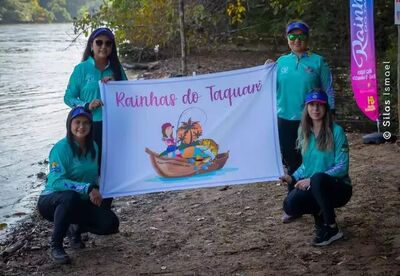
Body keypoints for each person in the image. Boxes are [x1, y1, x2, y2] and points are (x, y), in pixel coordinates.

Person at [37, 106, 119, 264]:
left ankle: (75, 228)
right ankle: (56, 246)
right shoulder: (60, 148)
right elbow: (56, 181)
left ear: (91, 125)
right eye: (77, 122)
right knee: (69, 197)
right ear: (70, 124)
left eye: (86, 123)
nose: (81, 127)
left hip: (80, 201)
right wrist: (87, 188)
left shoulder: (93, 147)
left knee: (110, 224)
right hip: (52, 201)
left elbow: (94, 176)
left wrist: (106, 186)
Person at [275, 20, 335, 223]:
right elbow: (265, 91)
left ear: (307, 38)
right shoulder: (280, 63)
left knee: (312, 161)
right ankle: (294, 205)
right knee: (292, 162)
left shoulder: (318, 62)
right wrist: (264, 72)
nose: (296, 40)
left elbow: (328, 90)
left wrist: (330, 117)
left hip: (311, 120)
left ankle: (317, 204)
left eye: (301, 36)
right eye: (292, 36)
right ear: (287, 38)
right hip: (285, 120)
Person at [280, 90, 352, 246]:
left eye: (320, 105)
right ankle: (320, 215)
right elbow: (307, 164)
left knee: (318, 179)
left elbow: (342, 166)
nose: (316, 109)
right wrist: (292, 177)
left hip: (338, 187)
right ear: (306, 108)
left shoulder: (337, 131)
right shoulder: (303, 130)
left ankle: (332, 228)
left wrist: (312, 179)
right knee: (290, 205)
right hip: (315, 186)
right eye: (312, 105)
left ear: (326, 108)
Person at [64, 27, 127, 169]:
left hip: (114, 124)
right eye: (99, 42)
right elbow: (68, 97)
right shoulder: (81, 69)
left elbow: (129, 96)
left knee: (113, 165)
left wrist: (116, 83)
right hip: (89, 125)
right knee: (91, 166)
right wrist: (86, 105)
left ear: (112, 47)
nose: (103, 46)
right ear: (91, 45)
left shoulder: (117, 69)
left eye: (108, 43)